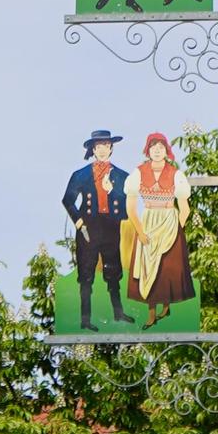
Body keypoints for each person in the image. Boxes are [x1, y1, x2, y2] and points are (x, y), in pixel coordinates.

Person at [61, 130, 129, 331]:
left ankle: (118, 312)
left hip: (110, 227)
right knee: (86, 271)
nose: (102, 150)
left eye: (106, 146)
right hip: (88, 227)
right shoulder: (80, 175)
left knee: (113, 269)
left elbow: (127, 204)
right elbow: (68, 200)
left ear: (111, 148)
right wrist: (78, 221)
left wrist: (111, 191)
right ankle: (85, 318)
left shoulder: (121, 176)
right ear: (93, 149)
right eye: (98, 146)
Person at [127, 130, 195, 321]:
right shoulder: (138, 173)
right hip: (148, 222)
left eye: (161, 147)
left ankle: (166, 307)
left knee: (167, 267)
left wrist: (176, 230)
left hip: (170, 222)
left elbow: (185, 208)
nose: (157, 151)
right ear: (147, 151)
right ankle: (150, 313)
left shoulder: (175, 174)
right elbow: (130, 207)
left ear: (166, 150)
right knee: (148, 265)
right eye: (153, 147)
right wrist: (140, 231)